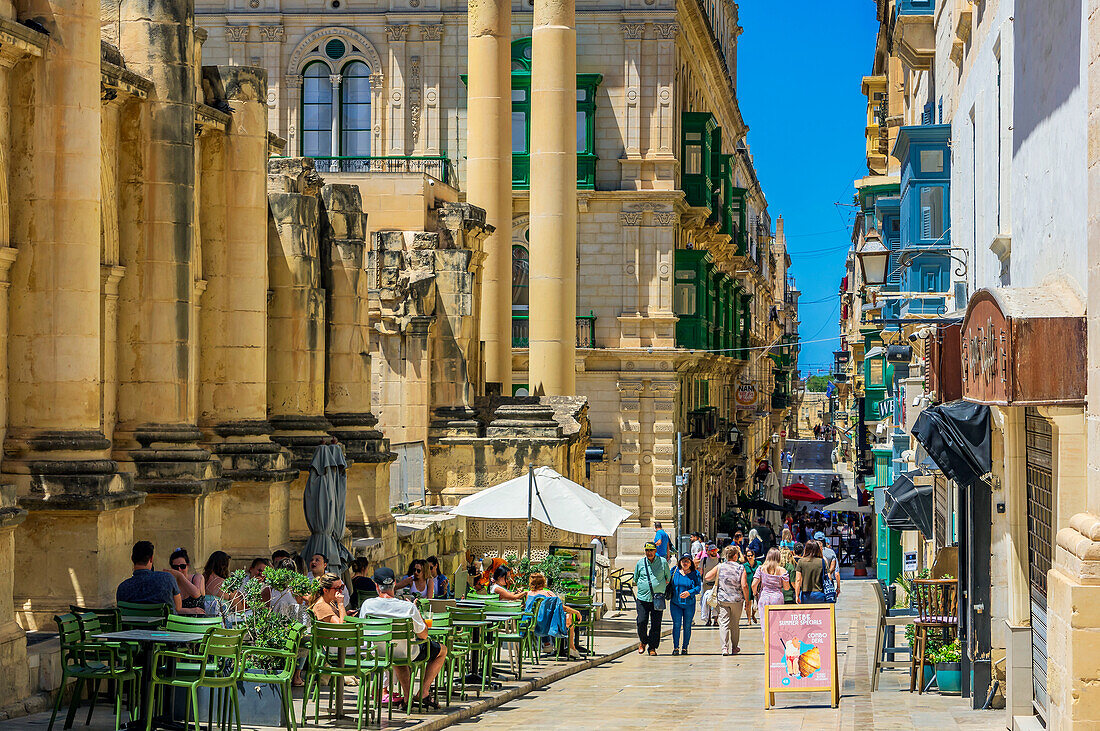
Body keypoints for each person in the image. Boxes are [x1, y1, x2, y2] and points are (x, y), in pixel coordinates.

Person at [359, 568, 447, 709]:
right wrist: (417, 611)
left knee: (398, 652)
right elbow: (423, 635)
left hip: (377, 653)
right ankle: (423, 692)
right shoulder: (407, 607)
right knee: (442, 650)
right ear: (394, 583)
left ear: (376, 585)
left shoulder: (367, 605)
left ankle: (408, 697)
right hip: (405, 653)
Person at [526, 572, 582, 659]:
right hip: (549, 627)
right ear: (543, 583)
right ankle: (572, 648)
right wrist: (576, 612)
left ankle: (547, 644)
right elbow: (561, 607)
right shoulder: (548, 594)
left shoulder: (529, 594)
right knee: (568, 618)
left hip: (533, 625)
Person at [705, 546, 748, 656]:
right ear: (734, 556)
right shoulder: (740, 568)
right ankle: (734, 647)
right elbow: (744, 585)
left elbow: (707, 577)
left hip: (723, 599)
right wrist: (747, 600)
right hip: (737, 600)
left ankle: (724, 648)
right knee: (735, 624)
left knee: (723, 623)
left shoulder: (720, 566)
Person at [117, 540, 183, 612]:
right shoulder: (167, 578)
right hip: (164, 622)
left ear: (132, 559)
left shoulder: (122, 588)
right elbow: (178, 607)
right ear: (151, 559)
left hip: (134, 623)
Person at [633, 541, 670, 656]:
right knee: (641, 621)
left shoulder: (663, 562)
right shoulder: (640, 563)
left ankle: (652, 647)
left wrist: (659, 586)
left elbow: (667, 578)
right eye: (647, 550)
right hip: (643, 598)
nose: (649, 553)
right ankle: (643, 641)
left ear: (655, 551)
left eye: (651, 550)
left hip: (658, 597)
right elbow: (636, 577)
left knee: (656, 624)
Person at [668, 555, 701, 655]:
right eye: (683, 561)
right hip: (675, 603)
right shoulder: (674, 571)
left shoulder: (695, 573)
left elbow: (698, 587)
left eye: (687, 561)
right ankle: (676, 647)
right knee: (676, 625)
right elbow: (667, 581)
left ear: (691, 563)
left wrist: (689, 592)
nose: (685, 563)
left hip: (689, 604)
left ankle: (685, 647)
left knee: (687, 626)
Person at [753, 548, 790, 621]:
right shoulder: (782, 570)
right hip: (777, 598)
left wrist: (755, 594)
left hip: (764, 597)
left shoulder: (761, 569)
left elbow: (754, 584)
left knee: (765, 623)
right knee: (776, 623)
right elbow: (786, 588)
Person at [168, 548, 206, 613]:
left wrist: (181, 577)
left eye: (182, 566)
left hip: (197, 621)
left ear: (187, 566)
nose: (179, 569)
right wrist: (189, 611)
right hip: (177, 621)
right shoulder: (171, 583)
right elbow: (170, 609)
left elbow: (196, 594)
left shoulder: (197, 577)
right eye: (175, 567)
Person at [698, 543, 722, 626]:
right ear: (708, 552)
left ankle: (715, 620)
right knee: (707, 602)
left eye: (715, 550)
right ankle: (708, 619)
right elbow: (700, 571)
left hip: (716, 584)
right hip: (706, 584)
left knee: (716, 603)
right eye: (712, 550)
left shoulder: (719, 560)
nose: (714, 552)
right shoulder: (704, 560)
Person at [815, 531, 841, 598]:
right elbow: (836, 573)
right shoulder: (831, 552)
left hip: (814, 584)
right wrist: (838, 587)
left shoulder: (810, 553)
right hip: (828, 583)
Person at [742, 548, 760, 624]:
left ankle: (753, 615)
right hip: (748, 586)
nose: (749, 557)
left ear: (754, 556)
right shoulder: (745, 565)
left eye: (751, 555)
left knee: (756, 603)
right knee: (748, 603)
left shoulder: (759, 564)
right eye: (748, 556)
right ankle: (749, 619)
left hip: (756, 586)